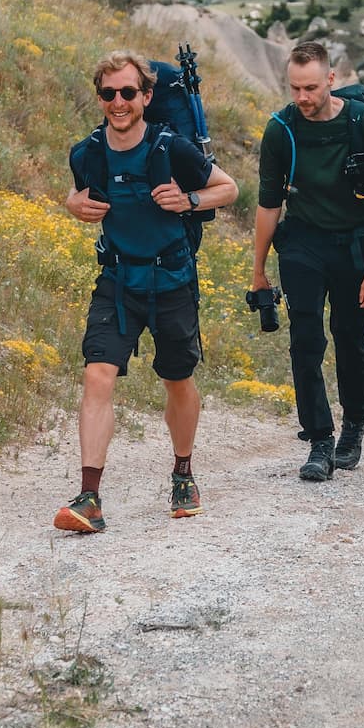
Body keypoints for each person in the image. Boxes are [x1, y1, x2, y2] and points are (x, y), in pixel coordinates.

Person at [55, 51, 239, 535]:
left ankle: (183, 473)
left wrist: (190, 199)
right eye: (109, 93)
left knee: (177, 379)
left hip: (171, 280)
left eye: (129, 93)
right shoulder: (87, 153)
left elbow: (229, 188)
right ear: (99, 98)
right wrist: (72, 203)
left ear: (146, 96)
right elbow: (81, 197)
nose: (119, 102)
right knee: (98, 376)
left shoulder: (170, 147)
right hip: (117, 281)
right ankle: (89, 496)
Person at [251, 39, 364, 483]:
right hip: (304, 244)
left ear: (331, 80)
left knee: (350, 337)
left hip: (355, 244)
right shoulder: (281, 130)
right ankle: (319, 440)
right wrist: (258, 270)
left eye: (310, 87)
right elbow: (268, 204)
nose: (302, 97)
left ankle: (354, 424)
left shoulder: (363, 123)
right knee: (306, 340)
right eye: (295, 88)